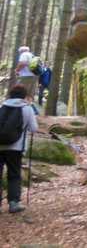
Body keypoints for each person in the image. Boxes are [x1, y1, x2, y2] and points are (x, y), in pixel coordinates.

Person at [0, 85, 38, 213]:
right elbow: (34, 128)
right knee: (14, 174)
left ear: (10, 94)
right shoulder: (27, 109)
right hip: (15, 147)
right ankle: (13, 203)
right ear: (24, 95)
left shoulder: (2, 106)